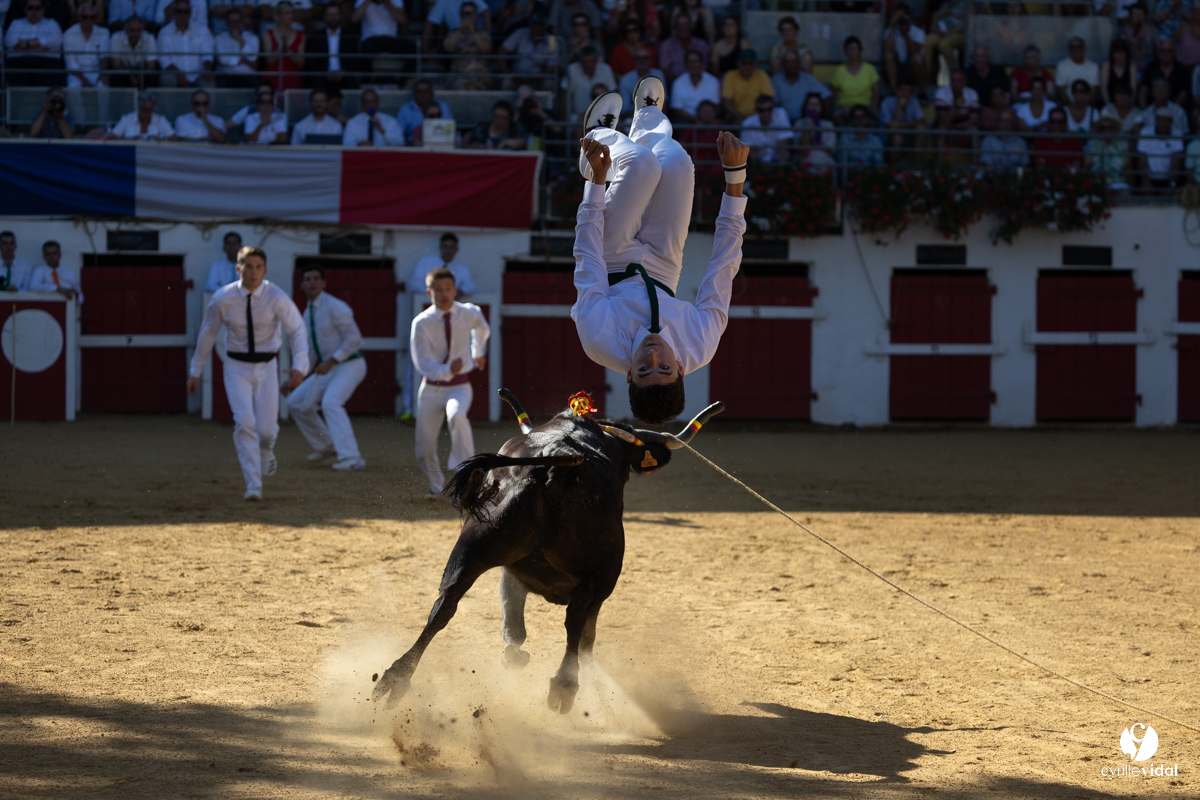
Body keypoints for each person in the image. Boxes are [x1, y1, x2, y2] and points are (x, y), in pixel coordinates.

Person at [573, 86, 749, 423]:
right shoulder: (701, 343)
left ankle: (597, 138)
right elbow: (724, 266)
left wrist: (595, 183)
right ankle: (646, 119)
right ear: (682, 368)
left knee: (641, 165)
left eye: (642, 368)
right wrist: (734, 177)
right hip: (665, 266)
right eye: (665, 367)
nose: (653, 356)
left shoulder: (598, 340)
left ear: (628, 375)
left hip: (611, 257)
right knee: (678, 162)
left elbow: (588, 258)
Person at [187, 246, 307, 501]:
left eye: (258, 267)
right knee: (244, 423)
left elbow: (297, 330)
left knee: (266, 430)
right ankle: (254, 485)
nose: (253, 272)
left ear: (265, 270)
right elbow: (207, 333)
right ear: (238, 269)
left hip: (267, 366)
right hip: (236, 366)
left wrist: (300, 366)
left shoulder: (276, 296)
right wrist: (195, 371)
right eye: (248, 267)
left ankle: (266, 451)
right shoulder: (222, 298)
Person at [410, 266, 490, 498]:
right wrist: (446, 369)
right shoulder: (422, 322)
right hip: (430, 389)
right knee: (423, 448)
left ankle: (466, 476)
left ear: (455, 290)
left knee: (457, 415)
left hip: (460, 386)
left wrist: (477, 352)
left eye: (448, 289)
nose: (444, 295)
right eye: (438, 290)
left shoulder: (469, 312)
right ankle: (436, 487)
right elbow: (422, 363)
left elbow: (482, 329)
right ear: (429, 293)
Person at [287, 266, 368, 472]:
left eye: (316, 278)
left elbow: (355, 339)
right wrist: (299, 374)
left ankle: (352, 458)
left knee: (331, 402)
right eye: (307, 279)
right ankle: (326, 445)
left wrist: (332, 361)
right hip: (330, 368)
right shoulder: (308, 312)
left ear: (323, 283)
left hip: (351, 364)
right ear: (302, 285)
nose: (312, 282)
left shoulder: (335, 306)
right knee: (295, 402)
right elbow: (312, 350)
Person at [403, 232, 476, 417]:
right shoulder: (427, 264)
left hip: (451, 323)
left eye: (452, 247)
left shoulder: (461, 268)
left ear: (456, 249)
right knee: (420, 361)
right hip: (431, 322)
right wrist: (439, 294)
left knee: (452, 362)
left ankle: (447, 411)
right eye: (446, 246)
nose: (448, 250)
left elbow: (471, 287)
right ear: (440, 247)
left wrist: (457, 294)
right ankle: (408, 407)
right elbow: (413, 285)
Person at [4, 0, 64, 86]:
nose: (34, 11)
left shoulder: (52, 23)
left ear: (43, 10)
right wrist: (40, 47)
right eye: (30, 8)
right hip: (19, 62)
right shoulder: (16, 23)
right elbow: (10, 42)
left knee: (53, 72)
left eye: (37, 8)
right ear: (25, 10)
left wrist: (26, 44)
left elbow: (57, 40)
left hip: (46, 63)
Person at [157, 0, 214, 88]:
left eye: (186, 11)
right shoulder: (164, 32)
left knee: (209, 80)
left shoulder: (202, 30)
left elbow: (207, 54)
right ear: (174, 13)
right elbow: (164, 59)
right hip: (174, 74)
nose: (182, 15)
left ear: (190, 13)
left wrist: (207, 69)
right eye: (179, 11)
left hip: (198, 74)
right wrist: (179, 74)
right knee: (166, 78)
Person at [306, 4, 358, 91]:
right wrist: (325, 73)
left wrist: (343, 72)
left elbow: (356, 60)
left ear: (340, 16)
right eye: (330, 15)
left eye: (335, 15)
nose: (333, 18)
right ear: (324, 17)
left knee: (352, 84)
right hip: (323, 76)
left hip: (344, 76)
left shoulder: (349, 36)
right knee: (315, 83)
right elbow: (311, 61)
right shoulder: (316, 36)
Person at [497, 15, 558, 90]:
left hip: (539, 78)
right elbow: (501, 51)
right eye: (535, 28)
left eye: (540, 30)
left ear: (545, 30)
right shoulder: (520, 33)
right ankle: (505, 102)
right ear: (531, 27)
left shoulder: (552, 41)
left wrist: (535, 78)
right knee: (506, 82)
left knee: (549, 84)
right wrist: (508, 73)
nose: (537, 32)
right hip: (517, 76)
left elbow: (550, 68)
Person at [443, 1, 492, 91]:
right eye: (465, 13)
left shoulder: (483, 33)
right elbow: (448, 48)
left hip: (479, 76)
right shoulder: (453, 33)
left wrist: (472, 32)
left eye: (470, 13)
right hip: (458, 75)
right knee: (459, 84)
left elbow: (485, 49)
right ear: (460, 15)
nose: (468, 16)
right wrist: (460, 31)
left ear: (476, 15)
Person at [771, 49, 829, 123]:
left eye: (794, 62)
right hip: (782, 123)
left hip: (805, 122)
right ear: (782, 64)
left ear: (799, 63)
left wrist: (818, 114)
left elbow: (827, 96)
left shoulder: (808, 79)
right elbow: (770, 103)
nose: (791, 65)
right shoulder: (775, 80)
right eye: (787, 62)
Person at [353, 0, 409, 75]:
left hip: (391, 39)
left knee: (411, 48)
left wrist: (387, 2)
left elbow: (402, 19)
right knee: (365, 50)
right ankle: (366, 82)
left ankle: (405, 82)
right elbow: (354, 19)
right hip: (370, 39)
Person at [561, 45, 616, 120]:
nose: (588, 64)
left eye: (591, 61)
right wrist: (564, 120)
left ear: (596, 60)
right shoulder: (572, 70)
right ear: (580, 61)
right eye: (584, 61)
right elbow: (564, 95)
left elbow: (613, 95)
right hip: (577, 117)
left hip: (604, 116)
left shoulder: (605, 70)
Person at [882, 3, 926, 95]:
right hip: (896, 68)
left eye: (902, 16)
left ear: (908, 17)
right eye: (897, 16)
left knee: (917, 58)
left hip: (912, 68)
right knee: (888, 55)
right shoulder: (889, 31)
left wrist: (905, 34)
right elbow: (887, 49)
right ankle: (894, 91)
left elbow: (914, 52)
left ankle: (922, 92)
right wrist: (892, 28)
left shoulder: (918, 32)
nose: (899, 19)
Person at [831, 36, 879, 118]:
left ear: (860, 51)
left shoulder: (870, 69)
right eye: (849, 49)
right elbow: (832, 93)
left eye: (855, 49)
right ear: (845, 52)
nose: (852, 52)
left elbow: (877, 92)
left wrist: (873, 105)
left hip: (864, 107)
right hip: (844, 107)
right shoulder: (839, 70)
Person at [1135, 108, 1185, 187]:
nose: (1163, 123)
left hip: (1169, 178)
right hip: (1149, 177)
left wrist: (1172, 183)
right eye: (1161, 120)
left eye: (1166, 120)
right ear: (1156, 120)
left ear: (1171, 121)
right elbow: (1142, 158)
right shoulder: (1145, 132)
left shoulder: (1177, 134)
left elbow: (1177, 161)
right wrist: (1145, 181)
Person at [63, 3, 109, 88]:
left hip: (95, 71)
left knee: (103, 85)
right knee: (73, 86)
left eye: (92, 17)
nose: (88, 20)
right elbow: (71, 63)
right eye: (85, 17)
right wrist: (85, 81)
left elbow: (104, 57)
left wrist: (102, 74)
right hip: (76, 74)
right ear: (79, 17)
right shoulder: (68, 34)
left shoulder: (103, 33)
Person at [106, 15, 158, 89]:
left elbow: (151, 65)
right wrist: (130, 75)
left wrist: (139, 75)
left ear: (142, 30)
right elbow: (116, 64)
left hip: (143, 73)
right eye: (132, 30)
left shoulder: (149, 38)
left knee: (153, 77)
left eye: (138, 30)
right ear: (126, 30)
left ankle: (149, 100)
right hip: (123, 73)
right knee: (115, 76)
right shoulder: (116, 37)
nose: (135, 34)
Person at [1140, 37, 1192, 108]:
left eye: (1169, 51)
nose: (1165, 54)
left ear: (1174, 52)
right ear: (1157, 53)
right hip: (1152, 110)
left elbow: (1184, 93)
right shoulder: (1150, 68)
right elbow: (1143, 90)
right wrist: (1145, 110)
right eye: (1162, 51)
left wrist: (1171, 110)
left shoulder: (1182, 70)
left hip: (1176, 110)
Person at [669, 49, 720, 122]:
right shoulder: (678, 82)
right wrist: (695, 120)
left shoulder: (713, 81)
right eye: (690, 62)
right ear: (686, 65)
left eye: (696, 61)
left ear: (702, 64)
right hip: (688, 120)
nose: (693, 65)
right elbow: (677, 109)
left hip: (709, 119)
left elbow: (716, 105)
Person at [721, 48, 773, 121]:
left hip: (758, 117)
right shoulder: (730, 75)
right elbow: (726, 101)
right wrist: (738, 117)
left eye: (750, 63)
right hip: (735, 118)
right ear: (738, 63)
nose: (747, 66)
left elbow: (768, 99)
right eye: (744, 63)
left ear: (755, 64)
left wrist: (756, 118)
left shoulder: (762, 75)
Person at [879, 79, 925, 160]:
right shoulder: (887, 102)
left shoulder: (914, 101)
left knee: (921, 129)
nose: (905, 94)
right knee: (897, 138)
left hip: (908, 137)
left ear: (911, 93)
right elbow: (891, 127)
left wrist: (902, 125)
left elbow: (922, 122)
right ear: (896, 91)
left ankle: (917, 167)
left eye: (908, 91)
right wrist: (899, 107)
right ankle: (894, 170)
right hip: (888, 139)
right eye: (902, 90)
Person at [924, 0, 967, 84]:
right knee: (928, 40)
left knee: (944, 44)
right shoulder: (944, 5)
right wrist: (938, 30)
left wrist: (950, 32)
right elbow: (938, 20)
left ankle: (955, 75)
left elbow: (968, 25)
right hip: (943, 34)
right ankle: (926, 75)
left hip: (960, 34)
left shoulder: (965, 5)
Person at [214, 7, 258, 88]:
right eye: (232, 22)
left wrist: (239, 39)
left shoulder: (253, 38)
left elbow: (252, 58)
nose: (235, 25)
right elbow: (223, 60)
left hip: (246, 75)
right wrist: (245, 62)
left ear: (242, 22)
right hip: (227, 75)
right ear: (227, 23)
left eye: (238, 21)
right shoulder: (219, 38)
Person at [657, 14, 707, 84]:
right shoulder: (667, 44)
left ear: (691, 26)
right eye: (679, 25)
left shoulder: (701, 45)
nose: (682, 28)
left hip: (698, 82)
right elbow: (664, 69)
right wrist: (679, 83)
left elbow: (704, 67)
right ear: (675, 27)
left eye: (685, 24)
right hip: (673, 82)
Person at [740, 94, 791, 163]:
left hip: (777, 160)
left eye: (769, 109)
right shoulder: (747, 124)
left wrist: (782, 169)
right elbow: (750, 151)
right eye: (762, 110)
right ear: (756, 110)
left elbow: (783, 144)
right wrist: (761, 169)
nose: (766, 113)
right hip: (759, 164)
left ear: (773, 107)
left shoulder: (781, 114)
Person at [794, 91, 837, 172]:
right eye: (811, 104)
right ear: (805, 107)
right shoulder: (799, 123)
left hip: (824, 159)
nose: (814, 107)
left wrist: (815, 135)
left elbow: (830, 149)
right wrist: (806, 130)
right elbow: (801, 149)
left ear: (822, 107)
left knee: (825, 168)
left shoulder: (829, 124)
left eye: (817, 104)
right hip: (804, 159)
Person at [1085, 116, 1131, 190]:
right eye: (1103, 128)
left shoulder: (1123, 146)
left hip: (1118, 183)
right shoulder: (1091, 146)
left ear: (1115, 130)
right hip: (1097, 184)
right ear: (1099, 130)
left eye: (1110, 127)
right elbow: (1086, 168)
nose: (1107, 130)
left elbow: (1129, 169)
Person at [109, 90, 175, 138]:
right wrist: (129, 141)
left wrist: (159, 141)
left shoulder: (161, 120)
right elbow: (113, 137)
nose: (146, 113)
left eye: (150, 110)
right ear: (138, 107)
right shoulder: (126, 119)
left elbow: (174, 138)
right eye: (143, 109)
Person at [838, 105, 884, 172]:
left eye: (863, 117)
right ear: (851, 120)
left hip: (871, 176)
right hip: (850, 175)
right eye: (855, 117)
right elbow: (841, 163)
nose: (859, 120)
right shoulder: (844, 138)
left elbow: (879, 163)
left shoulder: (875, 139)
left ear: (868, 119)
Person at [618, 48, 666, 112]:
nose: (642, 60)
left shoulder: (658, 75)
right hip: (634, 117)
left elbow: (665, 101)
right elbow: (624, 108)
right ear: (633, 61)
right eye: (638, 58)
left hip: (657, 115)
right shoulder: (625, 79)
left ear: (650, 60)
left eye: (645, 58)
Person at [1056, 37, 1100, 103]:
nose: (1075, 50)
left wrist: (1086, 109)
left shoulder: (1093, 67)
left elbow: (1093, 92)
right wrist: (1071, 108)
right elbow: (1061, 91)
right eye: (1072, 47)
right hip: (1068, 107)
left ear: (1084, 48)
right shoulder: (1061, 65)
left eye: (1078, 47)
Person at [1120, 3, 1158, 71]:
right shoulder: (1125, 31)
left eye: (1140, 15)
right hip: (1129, 67)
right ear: (1130, 16)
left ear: (1145, 16)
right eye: (1135, 15)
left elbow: (1158, 50)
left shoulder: (1152, 31)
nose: (1138, 17)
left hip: (1149, 68)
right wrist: (1130, 45)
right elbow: (1121, 53)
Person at [1101, 39, 1139, 106]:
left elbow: (1133, 90)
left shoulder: (1131, 67)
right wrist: (1109, 106)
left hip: (1128, 106)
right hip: (1110, 105)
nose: (1118, 56)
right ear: (1112, 54)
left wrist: (1128, 106)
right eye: (1116, 53)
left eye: (1121, 53)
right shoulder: (1106, 65)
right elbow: (1104, 88)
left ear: (1126, 54)